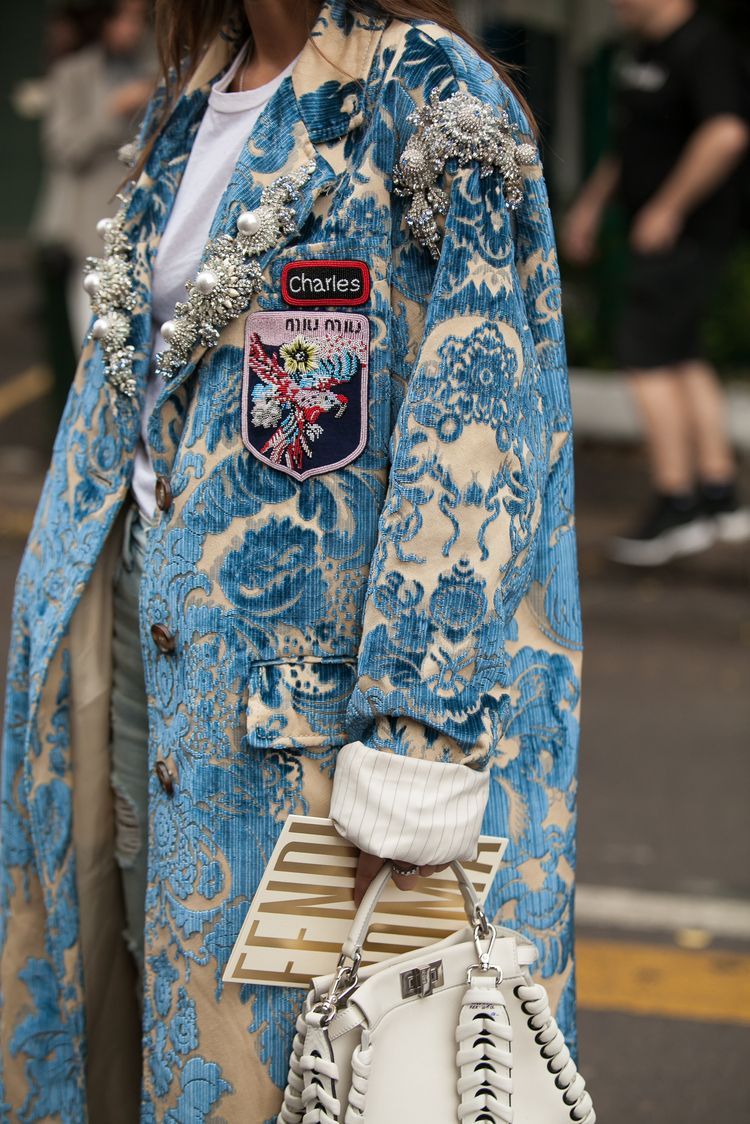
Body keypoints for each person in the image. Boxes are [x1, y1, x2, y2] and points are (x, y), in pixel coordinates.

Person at [0, 1, 582, 1118]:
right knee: (157, 1034)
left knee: (319, 1075)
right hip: (135, 660)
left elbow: (480, 423)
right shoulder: (189, 99)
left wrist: (416, 750)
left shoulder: (429, 95)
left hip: (309, 739)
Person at [564, 0, 750, 566]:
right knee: (680, 353)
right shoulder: (643, 50)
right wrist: (592, 207)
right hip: (656, 228)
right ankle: (718, 495)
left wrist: (669, 207)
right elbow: (630, 142)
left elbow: (727, 134)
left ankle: (677, 502)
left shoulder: (706, 47)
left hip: (685, 234)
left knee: (644, 356)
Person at [43, 0, 156, 346]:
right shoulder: (74, 73)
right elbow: (61, 147)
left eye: (139, 20)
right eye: (125, 19)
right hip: (93, 226)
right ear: (104, 20)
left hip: (147, 221)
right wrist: (113, 111)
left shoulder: (153, 67)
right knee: (94, 339)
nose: (132, 29)